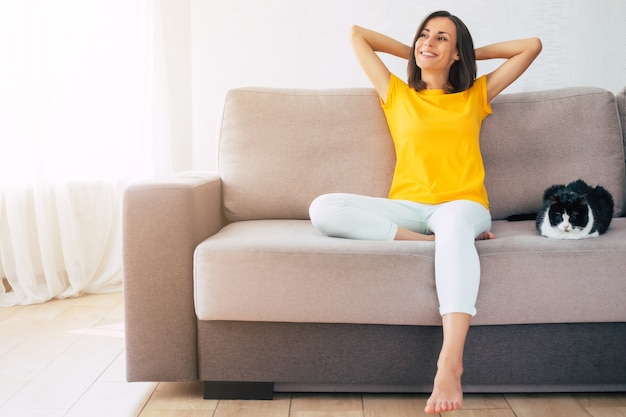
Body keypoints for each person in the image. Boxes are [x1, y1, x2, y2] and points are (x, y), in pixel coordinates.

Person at [308, 10, 541, 415]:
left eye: (442, 39)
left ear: (457, 53)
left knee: (453, 222)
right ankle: (431, 242)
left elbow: (531, 46)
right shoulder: (397, 93)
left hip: (463, 205)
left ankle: (450, 362)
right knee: (324, 207)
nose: (428, 43)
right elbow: (357, 34)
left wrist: (465, 55)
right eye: (424, 36)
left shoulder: (475, 96)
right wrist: (419, 53)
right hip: (409, 210)